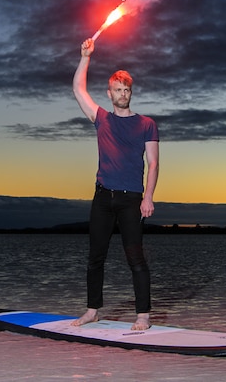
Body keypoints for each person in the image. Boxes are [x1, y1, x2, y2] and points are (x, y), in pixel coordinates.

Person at [70, 37, 159, 331]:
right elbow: (78, 90)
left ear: (130, 92)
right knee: (96, 257)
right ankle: (92, 310)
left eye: (126, 89)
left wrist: (148, 197)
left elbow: (154, 163)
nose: (123, 94)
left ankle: (143, 315)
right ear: (109, 94)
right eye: (118, 90)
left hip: (132, 199)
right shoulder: (101, 119)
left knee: (136, 258)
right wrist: (85, 57)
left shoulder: (147, 123)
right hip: (102, 199)